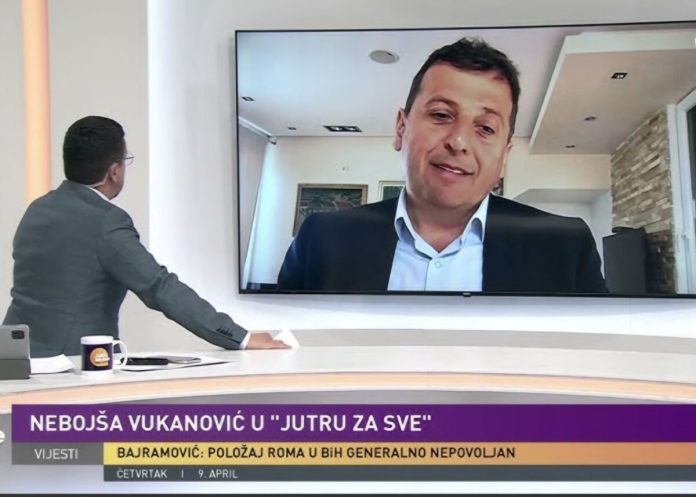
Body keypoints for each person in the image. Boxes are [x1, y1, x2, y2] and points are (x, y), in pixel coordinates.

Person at [277, 37, 607, 294]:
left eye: (485, 128)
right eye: (441, 115)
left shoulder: (566, 246)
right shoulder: (321, 238)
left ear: (505, 155)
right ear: (401, 128)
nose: (458, 141)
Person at [4, 116, 288, 357]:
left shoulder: (37, 209)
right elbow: (159, 287)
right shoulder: (106, 221)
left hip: (14, 359)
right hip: (75, 369)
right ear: (114, 171)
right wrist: (242, 338)